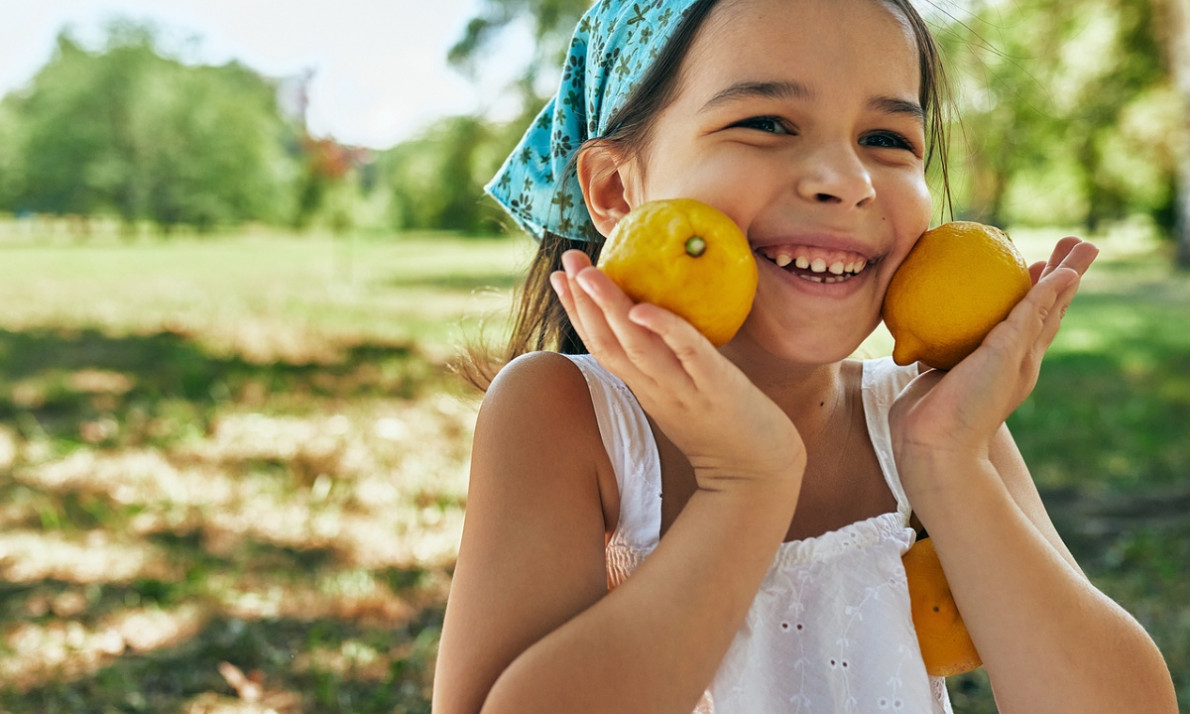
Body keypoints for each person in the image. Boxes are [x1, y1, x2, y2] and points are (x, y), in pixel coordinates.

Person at [432, 0, 1178, 712]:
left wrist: (950, 465)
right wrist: (746, 486)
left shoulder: (928, 420)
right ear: (614, 189)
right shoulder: (565, 415)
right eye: (766, 122)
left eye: (886, 139)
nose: (845, 182)